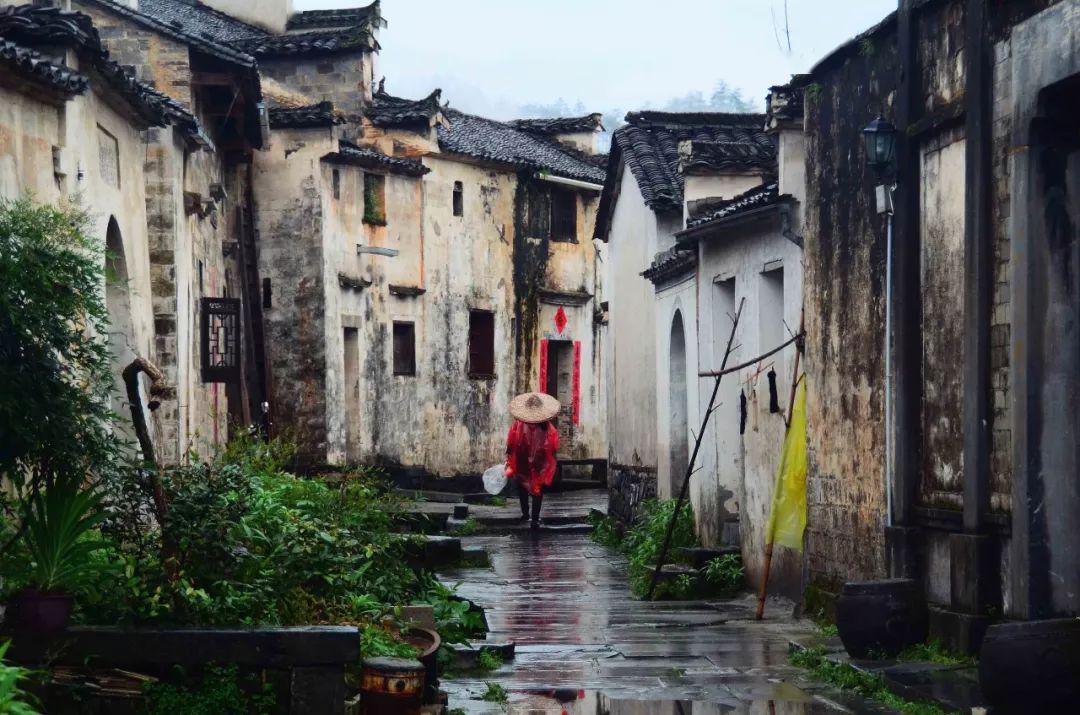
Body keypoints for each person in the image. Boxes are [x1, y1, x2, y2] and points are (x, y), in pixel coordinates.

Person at [504, 392, 560, 529]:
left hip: (522, 460)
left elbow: (511, 443)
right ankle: (535, 518)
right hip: (539, 462)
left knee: (522, 486)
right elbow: (553, 446)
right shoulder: (547, 426)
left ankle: (525, 513)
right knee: (537, 488)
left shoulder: (518, 424)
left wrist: (509, 455)